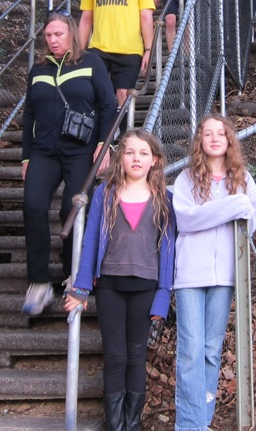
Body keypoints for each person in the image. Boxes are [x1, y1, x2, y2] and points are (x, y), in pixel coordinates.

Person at [64, 129, 175, 431]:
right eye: (129, 152)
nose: (136, 158)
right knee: (115, 356)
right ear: (119, 158)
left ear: (154, 160)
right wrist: (82, 288)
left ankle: (133, 424)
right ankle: (115, 425)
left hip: (146, 288)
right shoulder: (105, 192)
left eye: (143, 153)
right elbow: (90, 242)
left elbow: (168, 250)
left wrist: (163, 295)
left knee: (137, 357)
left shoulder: (165, 198)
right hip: (110, 286)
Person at [20, 10, 118, 315]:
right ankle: (38, 283)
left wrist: (103, 144)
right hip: (43, 151)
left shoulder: (90, 62)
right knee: (33, 205)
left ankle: (70, 272)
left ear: (72, 34)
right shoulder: (38, 68)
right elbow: (29, 115)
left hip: (81, 150)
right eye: (48, 35)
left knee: (71, 210)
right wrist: (25, 155)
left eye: (58, 34)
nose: (53, 40)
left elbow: (108, 103)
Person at [172, 114, 256, 431]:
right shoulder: (185, 180)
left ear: (229, 141)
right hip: (189, 277)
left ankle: (202, 421)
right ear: (200, 141)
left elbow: (252, 219)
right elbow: (187, 221)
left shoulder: (243, 179)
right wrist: (232, 205)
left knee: (211, 352)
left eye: (220, 133)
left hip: (225, 275)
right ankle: (188, 425)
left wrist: (234, 205)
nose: (213, 138)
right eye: (207, 133)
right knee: (190, 353)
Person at [79, 0, 155, 112]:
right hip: (99, 47)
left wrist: (148, 49)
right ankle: (100, 133)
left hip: (129, 49)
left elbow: (146, 18)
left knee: (123, 92)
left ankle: (122, 135)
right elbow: (85, 20)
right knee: (94, 90)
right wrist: (79, 51)